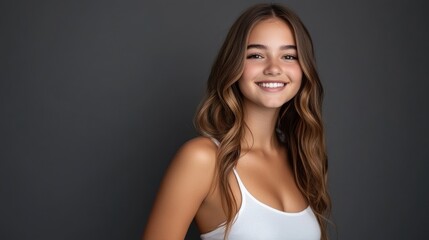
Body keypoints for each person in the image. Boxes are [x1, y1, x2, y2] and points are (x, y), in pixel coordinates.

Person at [143, 3, 331, 240]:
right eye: (256, 55)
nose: (274, 68)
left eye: (288, 56)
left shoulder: (301, 158)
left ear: (304, 69)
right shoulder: (202, 159)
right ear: (234, 65)